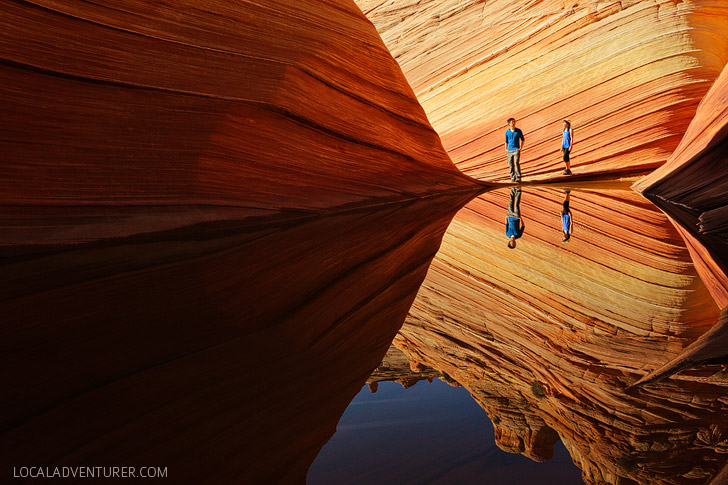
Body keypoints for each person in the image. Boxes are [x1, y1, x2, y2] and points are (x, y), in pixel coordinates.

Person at [505, 118, 525, 182]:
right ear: (509, 124)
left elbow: (523, 140)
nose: (513, 123)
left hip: (516, 150)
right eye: (512, 122)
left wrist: (520, 148)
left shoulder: (518, 131)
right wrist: (506, 149)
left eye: (514, 122)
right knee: (511, 164)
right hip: (509, 150)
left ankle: (518, 177)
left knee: (516, 163)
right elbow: (506, 141)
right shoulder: (507, 132)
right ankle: (512, 177)